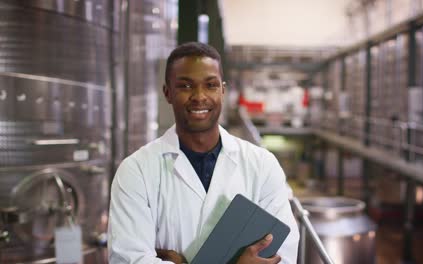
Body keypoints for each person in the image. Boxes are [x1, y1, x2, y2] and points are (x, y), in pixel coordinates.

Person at [108, 42, 299, 264]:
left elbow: (282, 256)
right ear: (167, 93)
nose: (199, 96)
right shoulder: (136, 170)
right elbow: (128, 259)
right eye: (186, 86)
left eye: (210, 85)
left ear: (223, 90)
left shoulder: (262, 165)